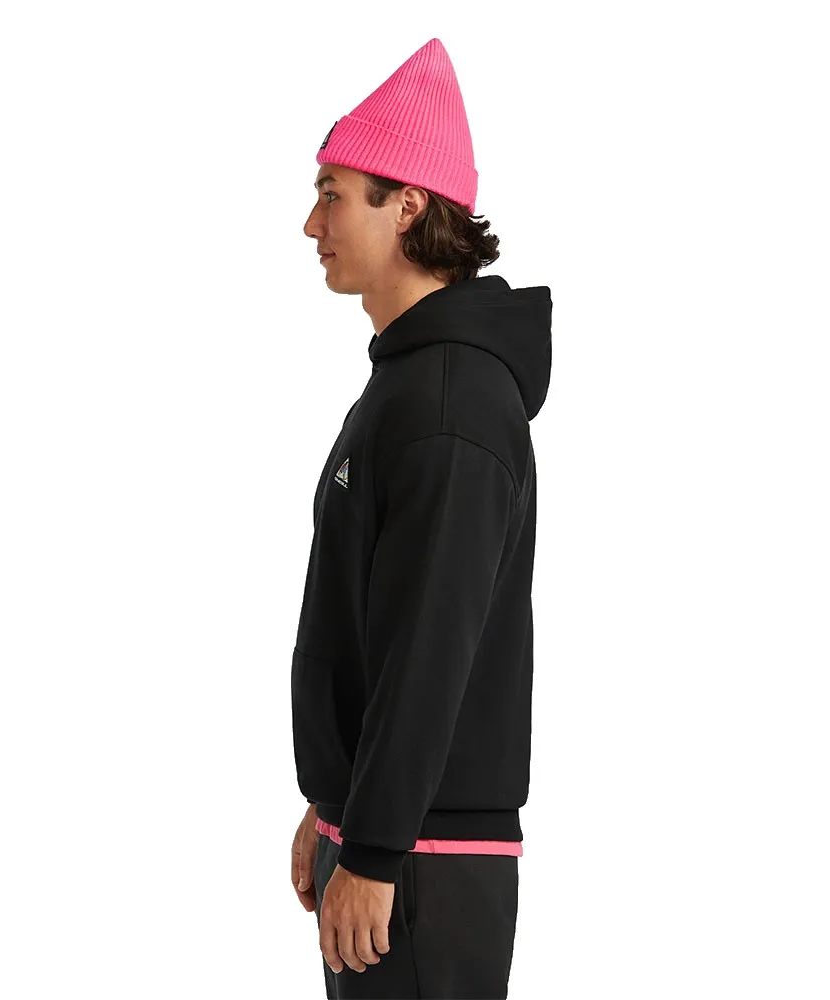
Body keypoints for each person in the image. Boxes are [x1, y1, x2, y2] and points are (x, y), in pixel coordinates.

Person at [289, 37, 552, 999]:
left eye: (333, 194)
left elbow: (431, 649)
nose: (311, 222)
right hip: (390, 838)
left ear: (406, 205)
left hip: (423, 861)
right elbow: (374, 623)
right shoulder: (408, 384)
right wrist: (335, 807)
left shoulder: (450, 404)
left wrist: (373, 845)